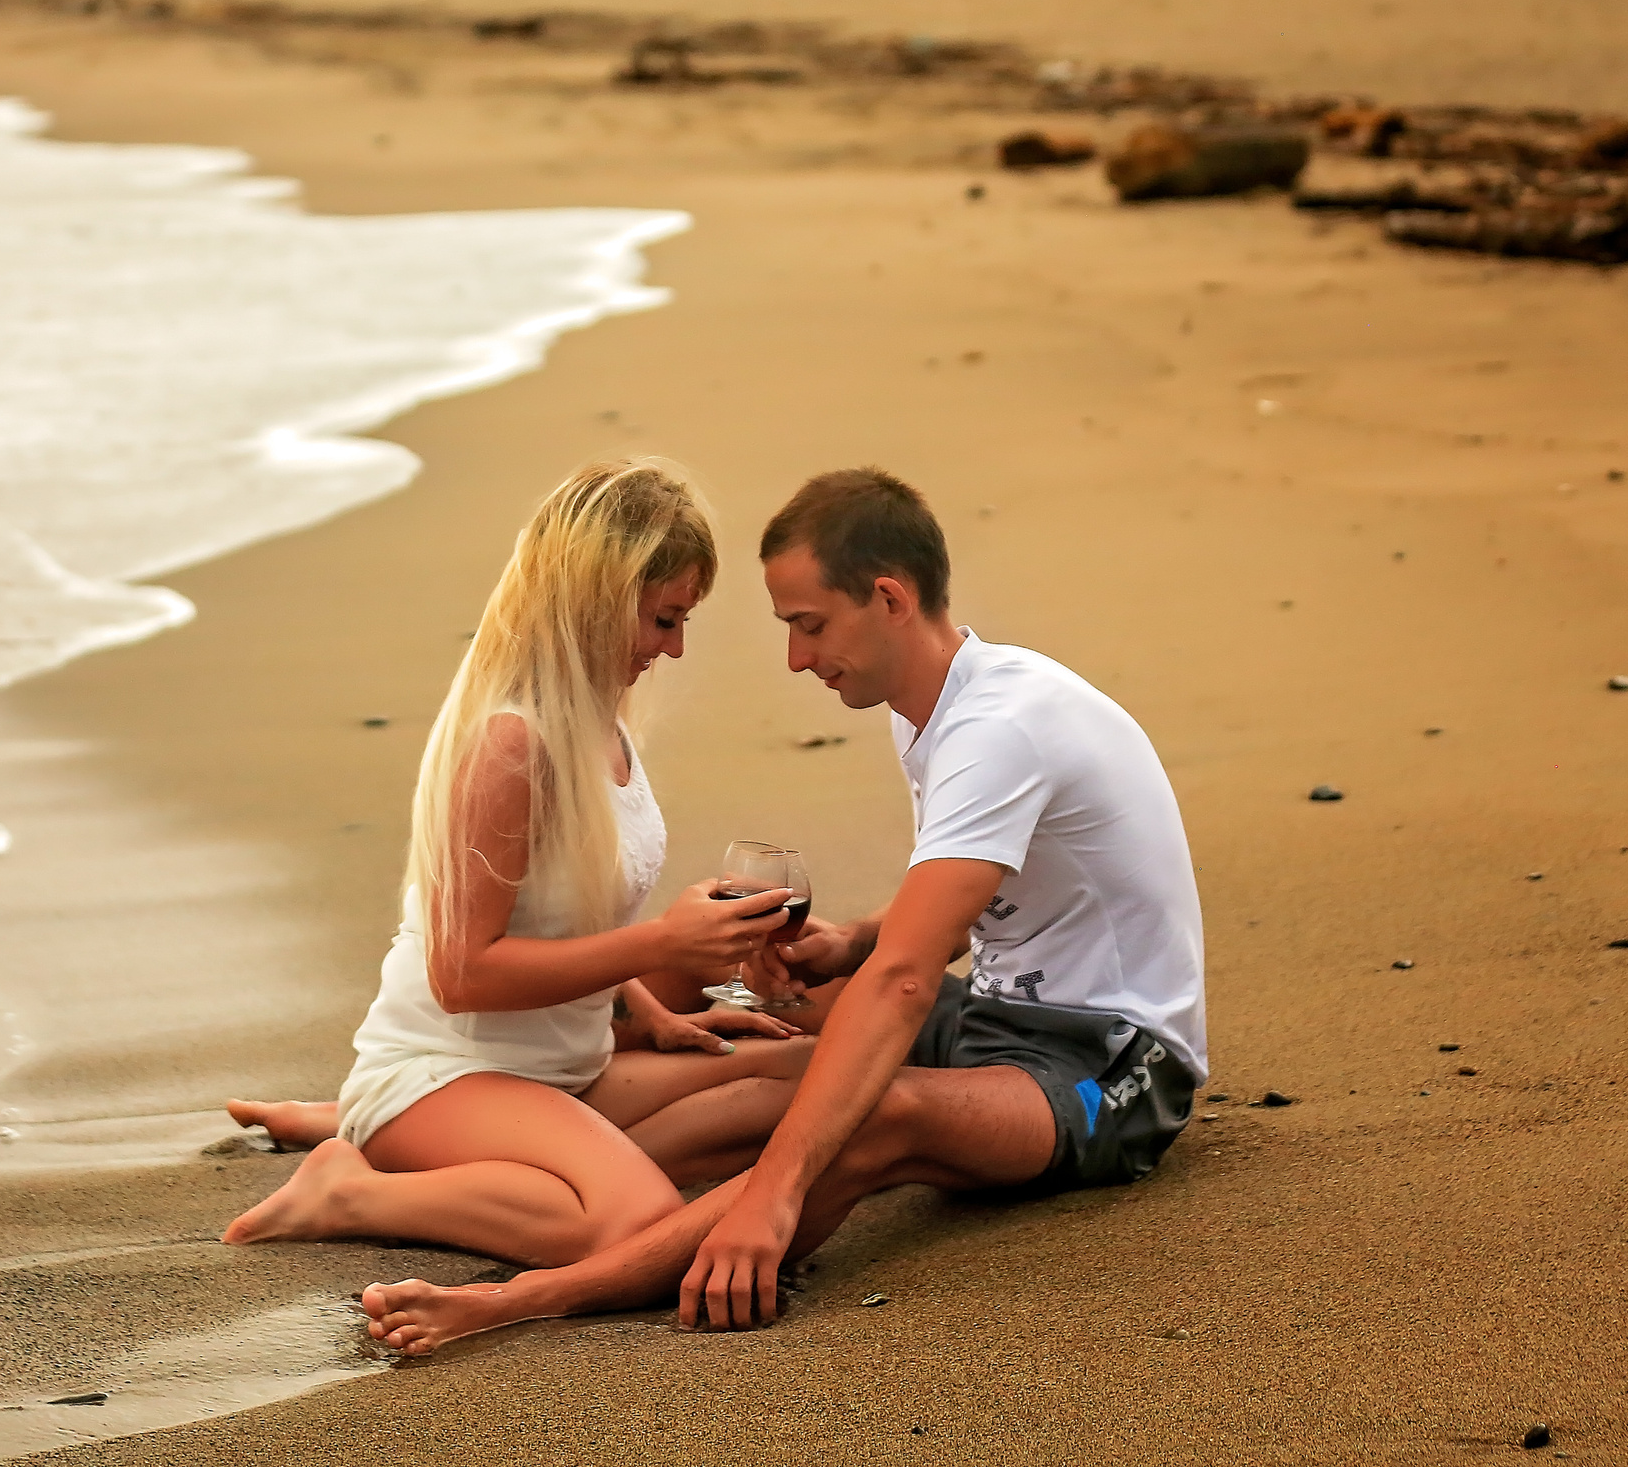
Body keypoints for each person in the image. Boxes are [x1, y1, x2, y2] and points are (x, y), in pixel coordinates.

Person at [361, 467, 1209, 1351]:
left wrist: (776, 1191)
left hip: (1106, 1058)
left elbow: (912, 978)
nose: (798, 659)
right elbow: (963, 912)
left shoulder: (1001, 729)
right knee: (752, 996)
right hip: (998, 1013)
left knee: (878, 1111)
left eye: (809, 625)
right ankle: (459, 1119)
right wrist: (848, 944)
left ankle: (537, 1292)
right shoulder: (938, 708)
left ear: (887, 596)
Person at [220, 461, 823, 1268]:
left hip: (561, 1069)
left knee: (801, 1078)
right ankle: (350, 1186)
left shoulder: (600, 720)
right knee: (633, 1219)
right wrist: (662, 948)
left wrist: (653, 1011)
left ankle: (458, 1153)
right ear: (596, 602)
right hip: (449, 1069)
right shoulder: (513, 745)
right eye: (663, 618)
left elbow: (570, 911)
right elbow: (462, 974)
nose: (674, 646)